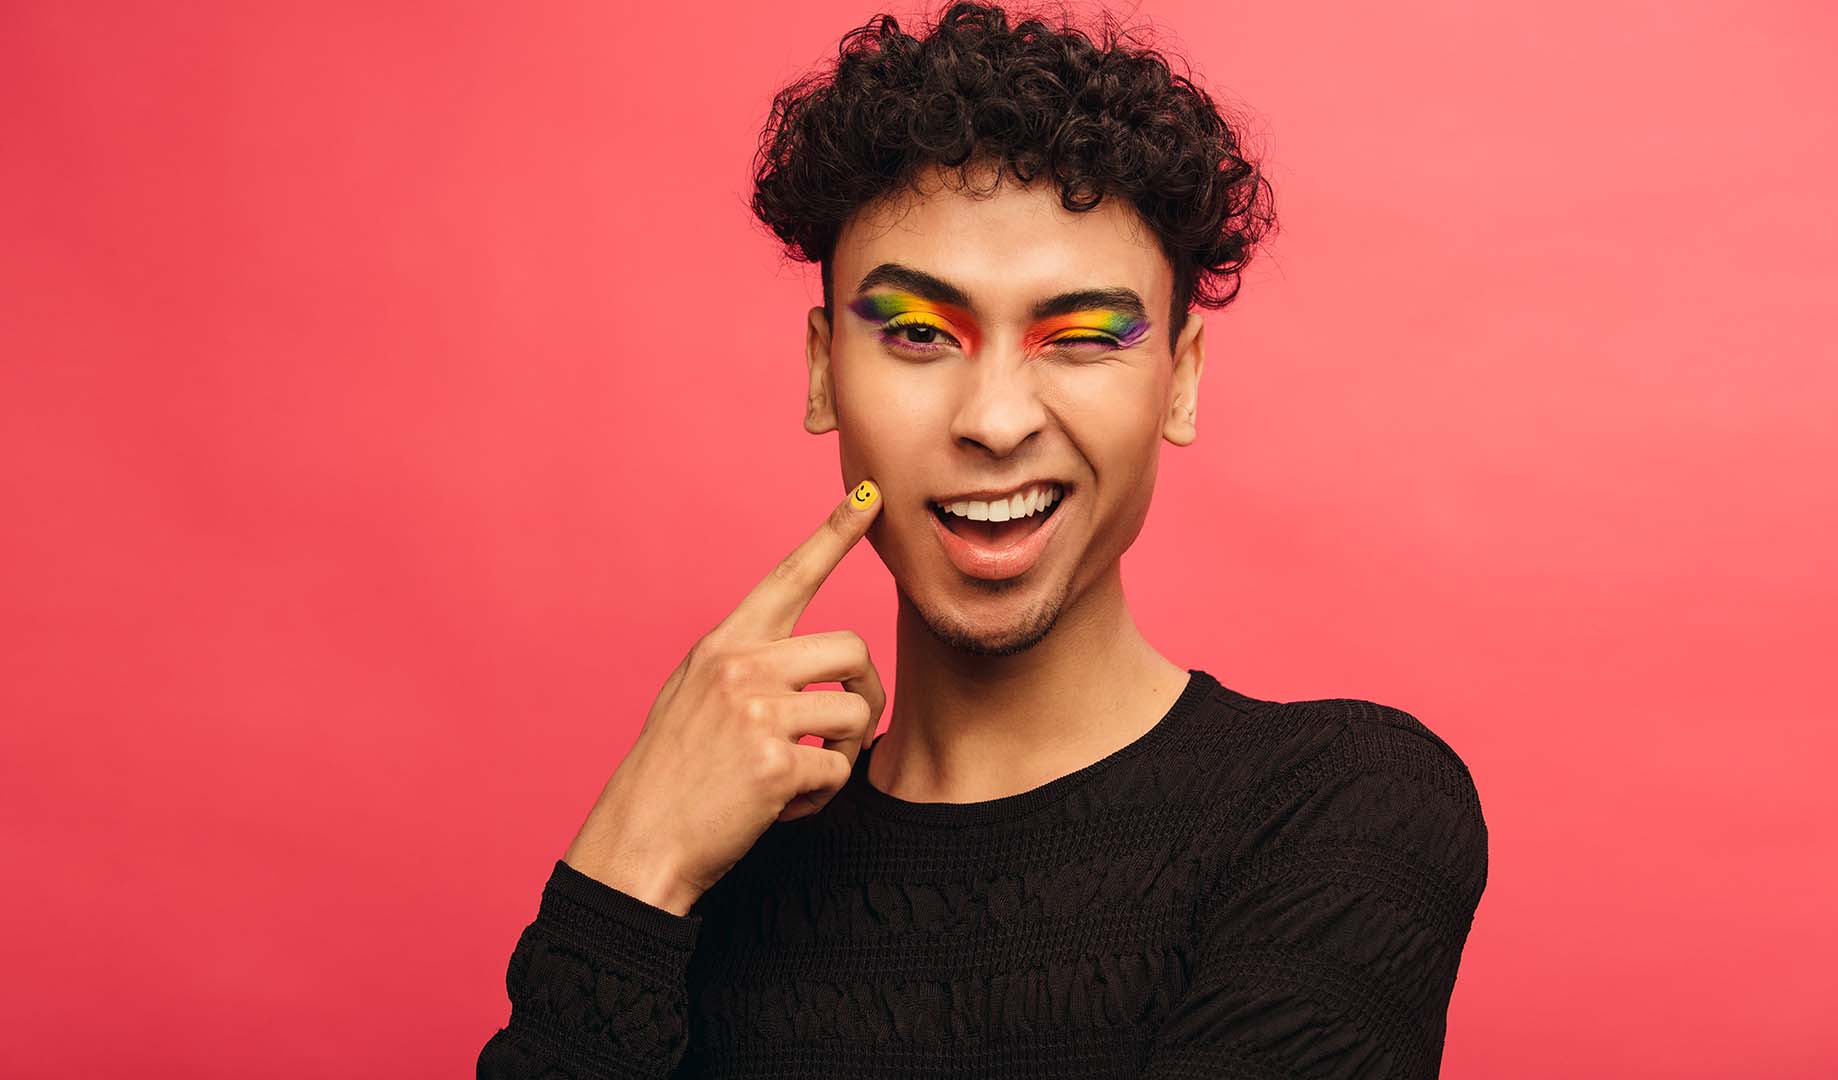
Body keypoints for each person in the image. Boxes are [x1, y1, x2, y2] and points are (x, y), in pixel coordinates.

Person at [477, 3, 1488, 1076]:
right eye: (918, 334)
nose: (995, 422)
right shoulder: (703, 886)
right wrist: (633, 858)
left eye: (1083, 337)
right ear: (824, 371)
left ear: (1180, 380)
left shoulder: (1341, 809)